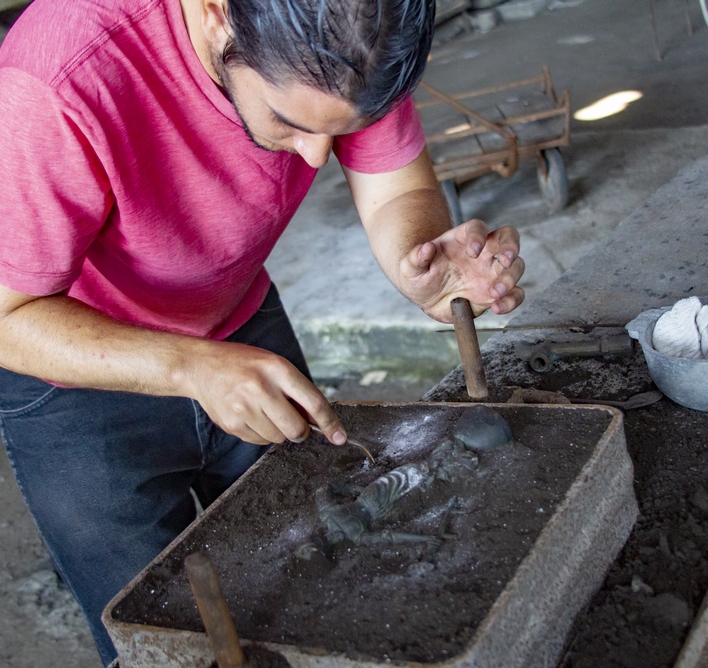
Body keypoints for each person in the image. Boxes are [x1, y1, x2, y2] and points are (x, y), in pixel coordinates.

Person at [0, 0, 524, 662]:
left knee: (315, 571)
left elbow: (394, 192)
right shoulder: (57, 80)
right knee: (163, 630)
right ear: (217, 15)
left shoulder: (359, 27)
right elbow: (6, 315)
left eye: (338, 130)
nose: (314, 155)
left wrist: (418, 259)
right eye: (288, 121)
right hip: (72, 374)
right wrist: (191, 367)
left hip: (239, 319)